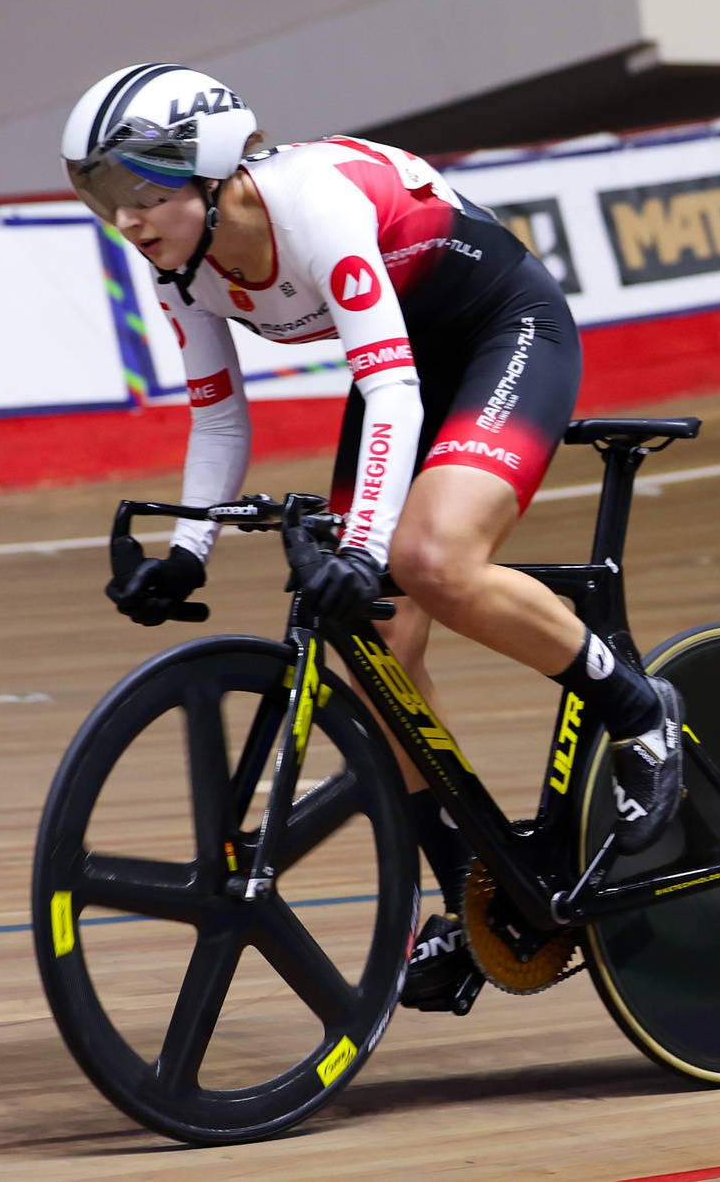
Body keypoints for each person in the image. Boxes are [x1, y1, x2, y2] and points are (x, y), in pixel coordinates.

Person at [63, 62, 684, 1016]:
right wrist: (188, 553)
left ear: (213, 171)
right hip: (404, 360)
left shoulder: (311, 207)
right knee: (378, 645)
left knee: (428, 561)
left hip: (499, 331)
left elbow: (390, 387)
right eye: (108, 197)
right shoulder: (181, 268)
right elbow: (221, 421)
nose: (129, 220)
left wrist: (361, 548)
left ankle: (641, 711)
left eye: (142, 192)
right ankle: (478, 894)